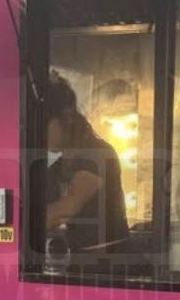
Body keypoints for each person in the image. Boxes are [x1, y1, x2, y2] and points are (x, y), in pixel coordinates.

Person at [44, 72, 129, 255]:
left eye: (43, 123)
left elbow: (66, 208)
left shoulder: (98, 153)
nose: (38, 132)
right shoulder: (57, 165)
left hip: (107, 264)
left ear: (66, 117)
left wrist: (16, 223)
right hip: (76, 261)